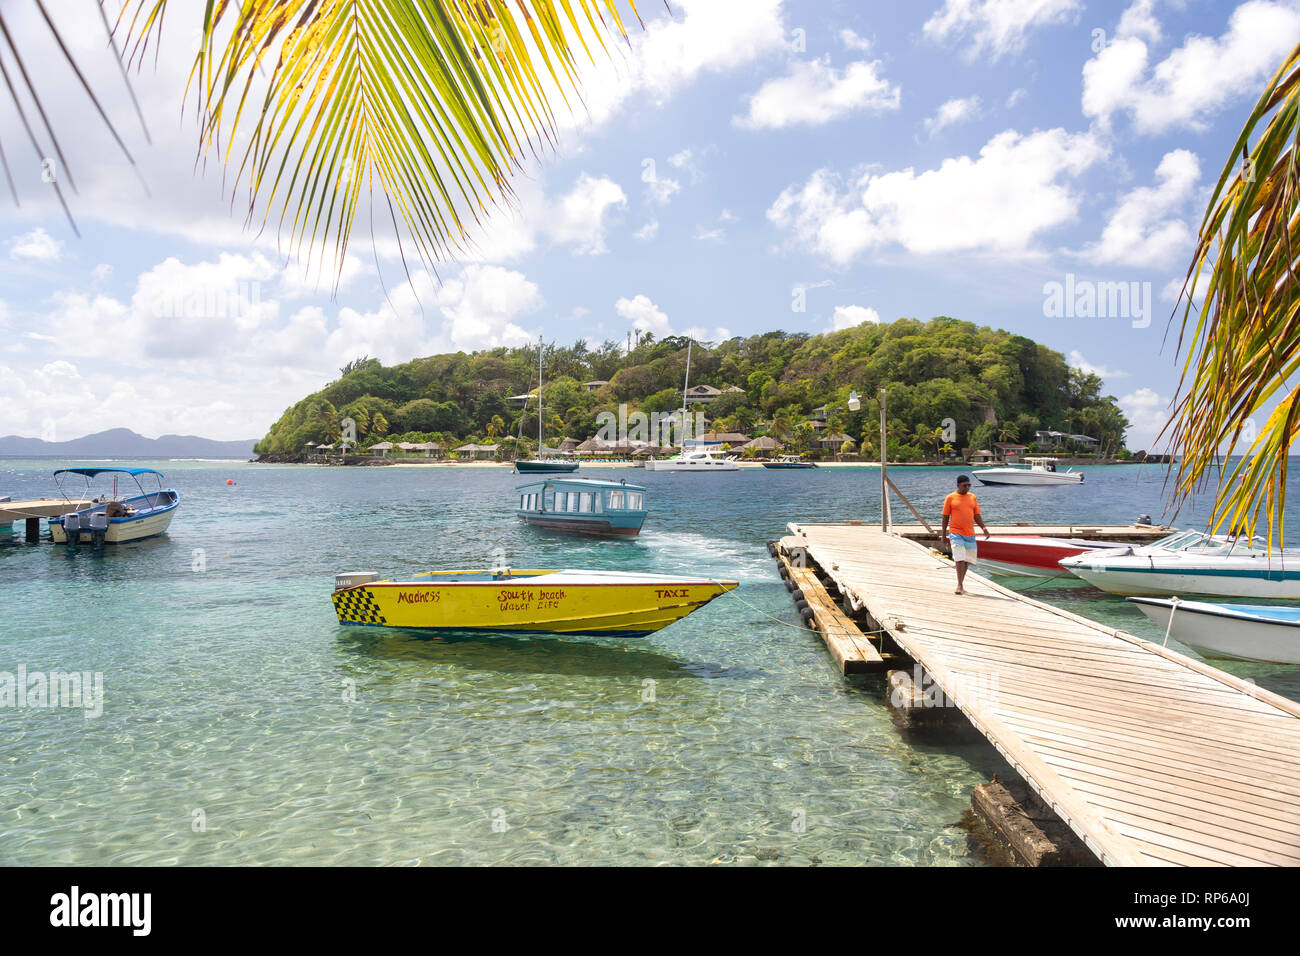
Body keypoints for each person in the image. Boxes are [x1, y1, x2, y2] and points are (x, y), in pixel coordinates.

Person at [941, 474, 989, 595]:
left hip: (970, 533)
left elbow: (976, 515)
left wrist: (983, 528)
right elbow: (945, 517)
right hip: (955, 532)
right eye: (964, 485)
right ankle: (959, 585)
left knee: (966, 560)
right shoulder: (950, 498)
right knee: (959, 558)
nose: (967, 487)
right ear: (958, 485)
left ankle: (961, 584)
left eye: (969, 485)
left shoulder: (972, 497)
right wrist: (943, 534)